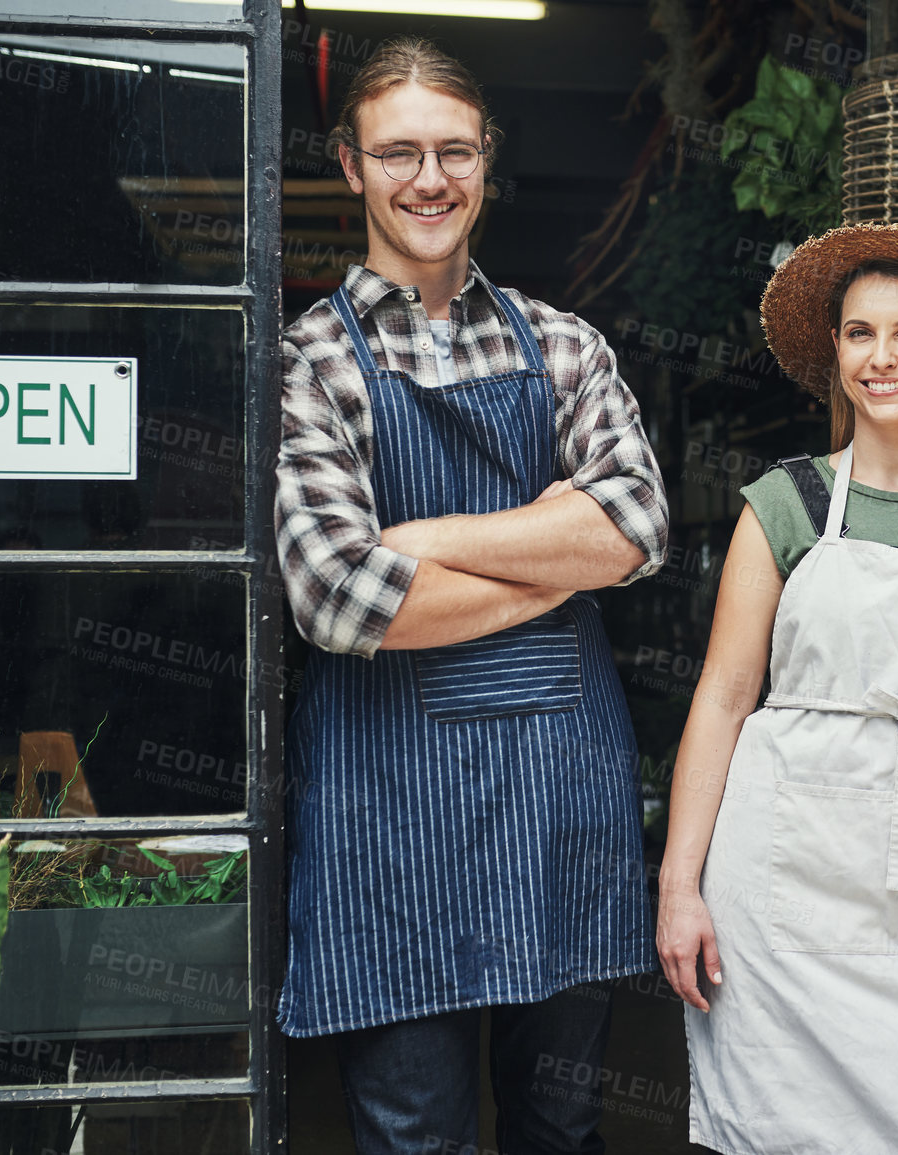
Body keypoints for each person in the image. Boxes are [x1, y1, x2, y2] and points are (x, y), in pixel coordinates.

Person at [272, 37, 668, 1155]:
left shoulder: (566, 345)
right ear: (350, 165)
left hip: (557, 800)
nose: (430, 179)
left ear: (488, 162)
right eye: (399, 154)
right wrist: (552, 566)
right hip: (386, 815)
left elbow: (635, 529)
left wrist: (431, 543)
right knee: (414, 1136)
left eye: (455, 151)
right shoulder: (303, 364)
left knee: (564, 1122)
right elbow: (344, 599)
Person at [656, 223, 898, 1153]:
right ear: (835, 352)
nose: (881, 357)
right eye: (859, 333)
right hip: (777, 883)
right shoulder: (782, 503)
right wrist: (679, 884)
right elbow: (720, 697)